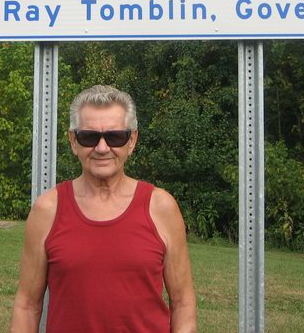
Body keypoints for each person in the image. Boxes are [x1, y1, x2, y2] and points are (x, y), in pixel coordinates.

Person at [10, 85, 197, 332]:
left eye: (115, 137)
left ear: (132, 140)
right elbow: (27, 305)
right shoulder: (47, 210)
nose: (101, 148)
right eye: (89, 137)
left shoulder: (161, 207)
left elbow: (183, 302)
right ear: (73, 141)